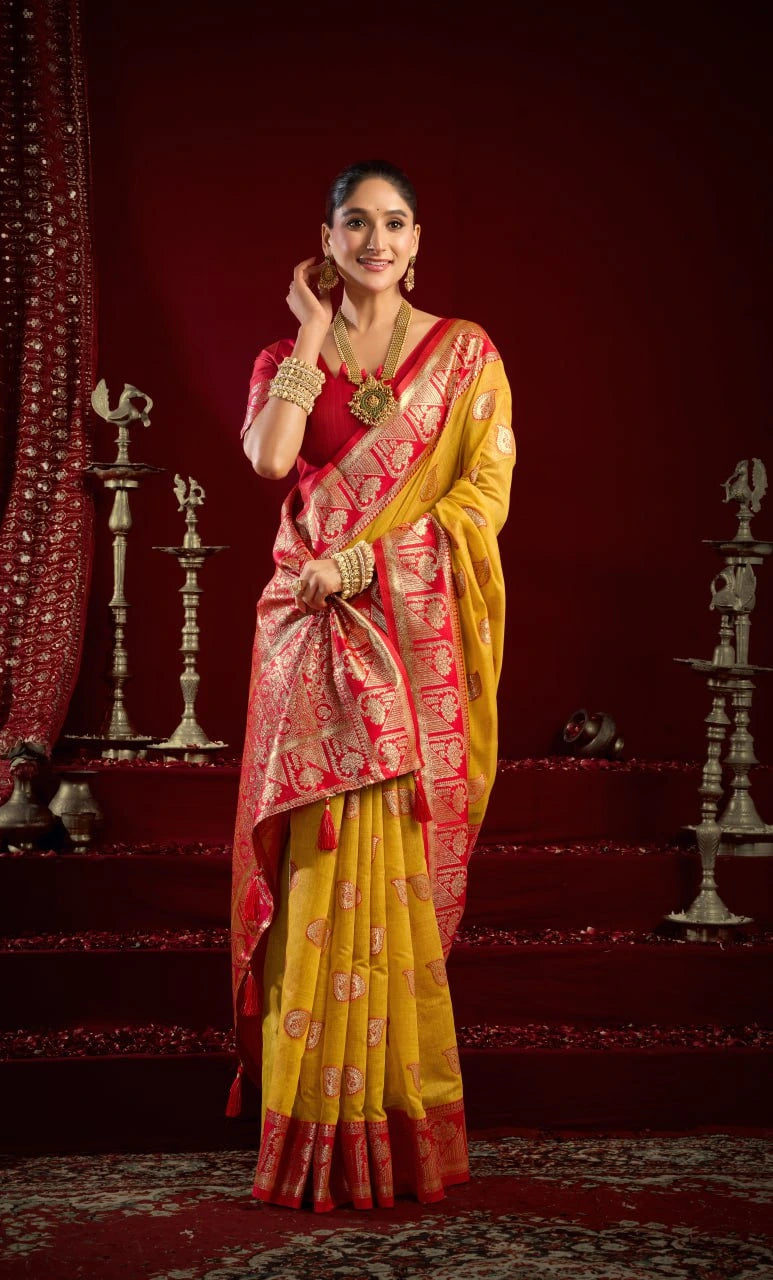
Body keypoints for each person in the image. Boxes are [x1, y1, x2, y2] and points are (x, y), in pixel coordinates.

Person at [229, 160, 514, 1211]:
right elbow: (269, 460)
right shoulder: (281, 352)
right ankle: (308, 1130)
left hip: (404, 631)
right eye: (357, 222)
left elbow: (483, 493)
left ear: (418, 238)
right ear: (327, 237)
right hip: (311, 637)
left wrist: (372, 561)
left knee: (390, 862)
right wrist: (307, 329)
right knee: (317, 867)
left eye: (394, 223)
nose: (377, 240)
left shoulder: (466, 354)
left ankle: (393, 1124)